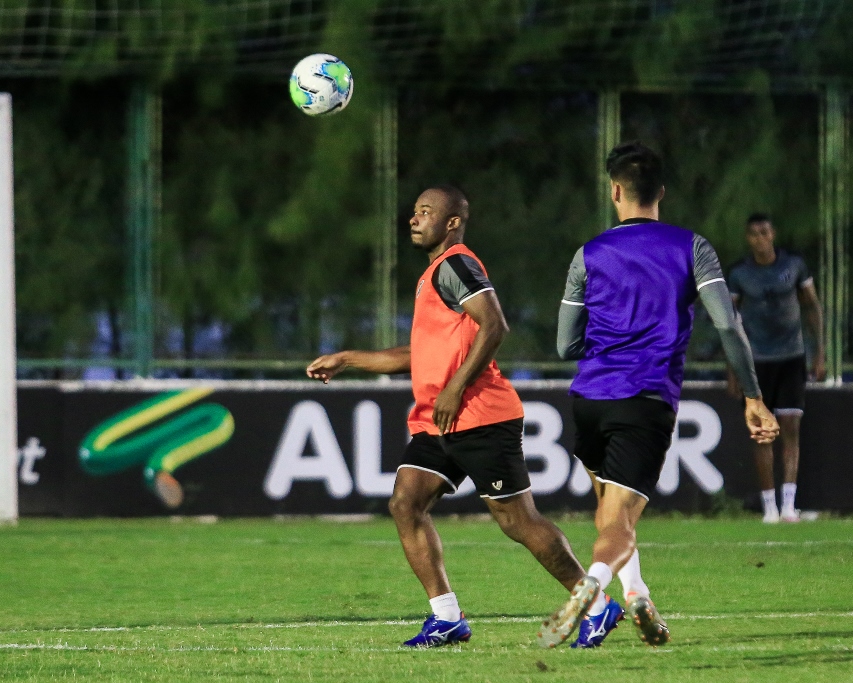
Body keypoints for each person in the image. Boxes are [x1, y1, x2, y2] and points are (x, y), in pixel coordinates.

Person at [307, 185, 597, 649]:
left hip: (480, 414)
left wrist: (456, 386)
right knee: (406, 502)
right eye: (415, 211)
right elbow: (419, 354)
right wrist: (348, 358)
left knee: (517, 523)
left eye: (426, 212)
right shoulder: (434, 275)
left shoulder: (457, 264)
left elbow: (496, 323)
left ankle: (594, 605)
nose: (414, 218)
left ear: (452, 222)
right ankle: (446, 617)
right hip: (440, 420)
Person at [553, 141, 780, 648]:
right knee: (620, 523)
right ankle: (594, 587)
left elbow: (565, 343)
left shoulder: (588, 254)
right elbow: (728, 325)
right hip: (646, 399)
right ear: (661, 193)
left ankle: (636, 595)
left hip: (589, 397)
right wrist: (753, 395)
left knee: (606, 504)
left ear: (615, 191)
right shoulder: (692, 247)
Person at [726, 213, 825, 523]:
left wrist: (819, 352)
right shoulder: (740, 274)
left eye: (765, 232)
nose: (760, 239)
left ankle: (788, 505)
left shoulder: (793, 266)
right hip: (756, 361)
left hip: (792, 356)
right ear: (748, 238)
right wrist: (733, 368)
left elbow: (811, 305)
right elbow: (728, 322)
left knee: (791, 427)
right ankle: (769, 507)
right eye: (754, 233)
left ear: (773, 234)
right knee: (762, 432)